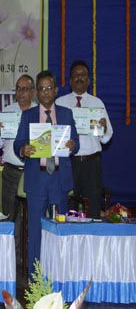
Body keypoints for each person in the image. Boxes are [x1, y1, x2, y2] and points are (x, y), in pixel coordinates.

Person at [14, 70, 79, 263]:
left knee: (60, 227)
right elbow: (18, 143)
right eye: (41, 88)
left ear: (56, 90)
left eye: (49, 88)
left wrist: (73, 145)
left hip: (60, 177)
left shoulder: (66, 114)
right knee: (35, 229)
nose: (45, 92)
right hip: (38, 178)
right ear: (36, 92)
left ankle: (59, 271)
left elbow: (75, 142)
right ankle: (35, 278)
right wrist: (23, 149)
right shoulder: (28, 116)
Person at [62, 60, 111, 217]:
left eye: (83, 75)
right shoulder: (60, 103)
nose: (79, 78)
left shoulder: (97, 103)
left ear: (89, 80)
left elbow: (106, 138)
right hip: (69, 163)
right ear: (70, 80)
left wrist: (103, 128)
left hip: (91, 163)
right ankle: (67, 241)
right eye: (76, 75)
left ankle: (93, 239)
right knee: (68, 205)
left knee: (93, 207)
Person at [0, 74, 35, 220]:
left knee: (32, 217)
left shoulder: (39, 112)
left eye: (25, 89)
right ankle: (11, 243)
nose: (21, 93)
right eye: (18, 89)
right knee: (9, 217)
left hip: (32, 171)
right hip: (11, 171)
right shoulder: (8, 110)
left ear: (33, 92)